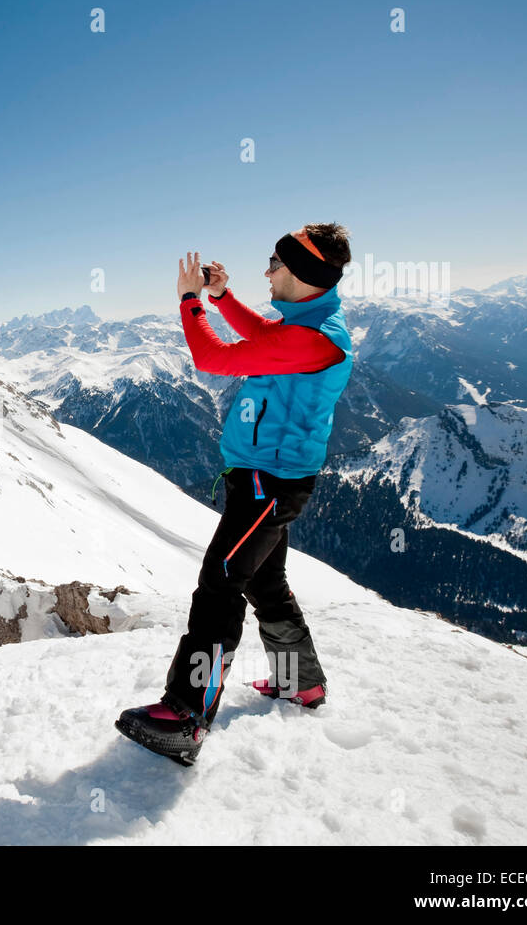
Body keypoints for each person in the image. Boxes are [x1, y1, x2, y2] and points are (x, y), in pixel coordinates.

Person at [116, 223, 355, 766]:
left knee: (221, 581)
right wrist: (224, 297)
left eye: (274, 262)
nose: (267, 270)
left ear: (300, 273)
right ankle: (302, 685)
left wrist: (191, 301)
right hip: (267, 479)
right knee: (265, 583)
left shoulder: (312, 338)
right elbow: (265, 334)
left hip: (268, 485)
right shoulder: (308, 321)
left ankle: (185, 713)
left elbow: (212, 357)